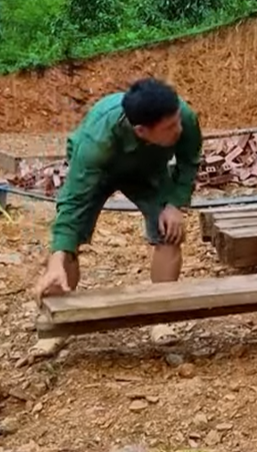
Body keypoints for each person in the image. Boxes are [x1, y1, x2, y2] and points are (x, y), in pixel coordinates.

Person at [31, 77, 203, 355]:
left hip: (148, 171)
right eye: (170, 127)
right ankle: (57, 324)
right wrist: (56, 259)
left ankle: (161, 317)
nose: (178, 128)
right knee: (68, 243)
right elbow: (72, 205)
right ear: (141, 130)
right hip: (99, 172)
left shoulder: (181, 115)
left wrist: (175, 203)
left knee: (170, 233)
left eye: (177, 121)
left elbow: (189, 160)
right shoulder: (95, 144)